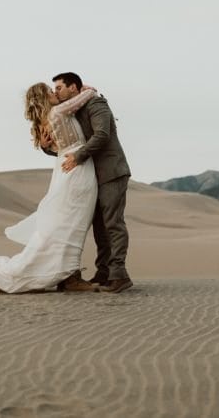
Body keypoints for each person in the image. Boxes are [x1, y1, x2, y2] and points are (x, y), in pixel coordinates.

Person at [0, 82, 100, 295]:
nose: (54, 93)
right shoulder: (58, 111)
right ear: (43, 98)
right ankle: (57, 274)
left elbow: (58, 146)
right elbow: (87, 95)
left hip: (65, 170)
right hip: (76, 171)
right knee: (70, 224)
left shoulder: (46, 120)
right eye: (50, 91)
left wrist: (48, 147)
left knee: (64, 224)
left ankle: (67, 273)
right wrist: (82, 88)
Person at [51, 72, 133, 293]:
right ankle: (104, 272)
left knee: (112, 224)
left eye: (59, 88)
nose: (55, 93)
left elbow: (102, 135)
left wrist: (78, 157)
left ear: (73, 87)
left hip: (111, 171)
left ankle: (119, 275)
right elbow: (71, 145)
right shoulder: (73, 111)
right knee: (99, 228)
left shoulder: (97, 104)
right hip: (92, 177)